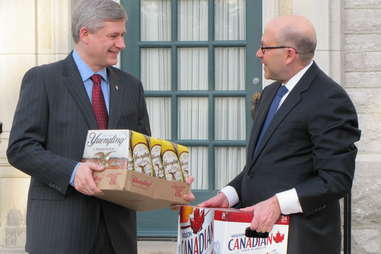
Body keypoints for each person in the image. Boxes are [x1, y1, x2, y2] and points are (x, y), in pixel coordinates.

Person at [6, 1, 194, 253]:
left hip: (117, 235)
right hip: (60, 232)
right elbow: (21, 149)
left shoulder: (131, 86)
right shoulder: (43, 79)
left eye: (123, 35)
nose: (122, 44)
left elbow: (141, 157)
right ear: (85, 34)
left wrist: (169, 188)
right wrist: (73, 172)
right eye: (113, 36)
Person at [200, 16, 361, 254]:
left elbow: (335, 179)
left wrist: (277, 204)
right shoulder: (270, 93)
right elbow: (265, 163)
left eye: (264, 47)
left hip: (300, 240)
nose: (258, 54)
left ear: (289, 54)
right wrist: (229, 195)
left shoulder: (329, 99)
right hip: (257, 239)